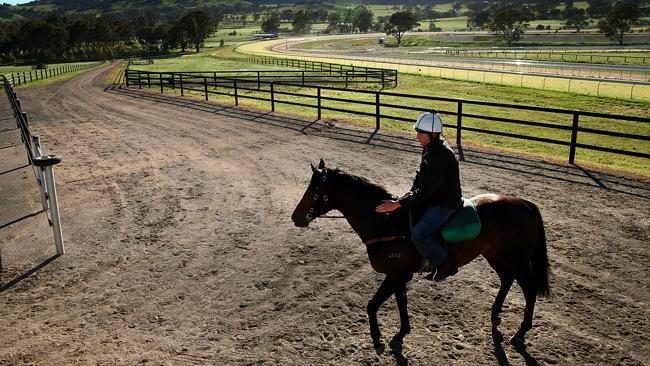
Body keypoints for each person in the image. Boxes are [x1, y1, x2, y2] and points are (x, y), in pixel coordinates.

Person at [375, 112, 462, 281]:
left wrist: (398, 204)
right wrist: (407, 194)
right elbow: (421, 176)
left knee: (418, 235)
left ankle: (445, 265)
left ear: (433, 134)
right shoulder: (431, 148)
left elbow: (427, 190)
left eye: (421, 133)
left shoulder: (440, 154)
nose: (417, 137)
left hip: (445, 202)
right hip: (434, 196)